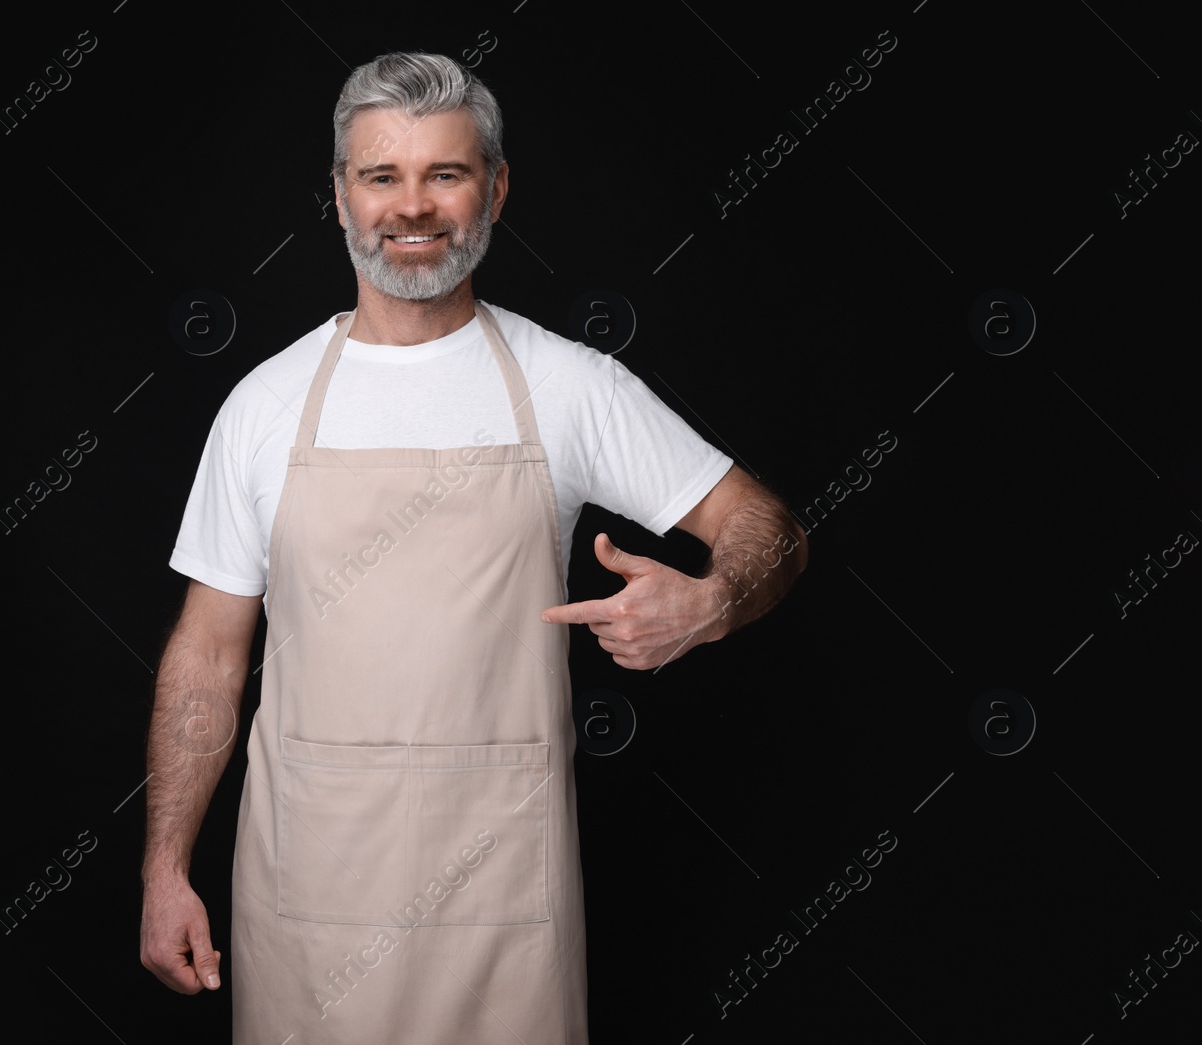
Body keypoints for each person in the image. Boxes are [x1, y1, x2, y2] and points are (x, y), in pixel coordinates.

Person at [140, 52, 807, 1043]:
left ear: (494, 188)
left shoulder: (569, 386)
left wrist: (710, 602)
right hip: (309, 897)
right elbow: (208, 653)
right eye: (381, 176)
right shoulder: (264, 407)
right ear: (337, 197)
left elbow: (772, 531)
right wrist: (163, 870)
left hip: (503, 900)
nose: (414, 207)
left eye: (444, 174)